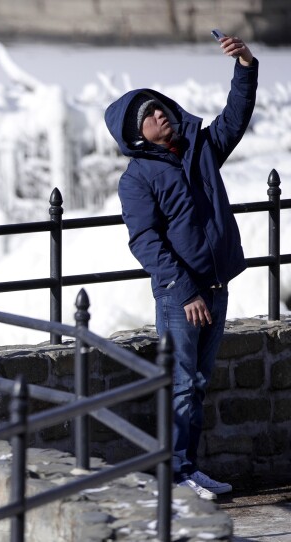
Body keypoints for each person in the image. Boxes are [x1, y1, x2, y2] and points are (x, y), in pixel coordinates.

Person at [103, 35, 258, 500]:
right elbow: (144, 240)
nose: (160, 114)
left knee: (198, 382)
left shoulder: (200, 150)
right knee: (183, 384)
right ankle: (177, 474)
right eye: (148, 115)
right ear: (135, 134)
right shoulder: (137, 179)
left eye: (160, 107)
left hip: (215, 285)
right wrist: (184, 289)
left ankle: (188, 470)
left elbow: (235, 117)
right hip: (180, 295)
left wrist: (245, 66)